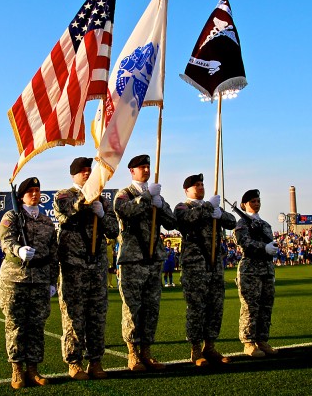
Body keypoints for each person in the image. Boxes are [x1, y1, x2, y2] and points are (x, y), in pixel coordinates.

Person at [53, 157, 119, 380]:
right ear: (73, 175)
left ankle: (96, 360)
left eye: (89, 171)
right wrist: (87, 199)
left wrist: (101, 213)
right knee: (74, 316)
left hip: (97, 266)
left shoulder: (103, 200)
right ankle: (74, 362)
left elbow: (113, 231)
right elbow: (67, 209)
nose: (87, 173)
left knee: (97, 314)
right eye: (82, 171)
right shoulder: (64, 194)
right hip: (74, 267)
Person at [114, 154, 176, 372]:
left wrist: (160, 205)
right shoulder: (124, 194)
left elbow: (171, 223)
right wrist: (146, 198)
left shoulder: (156, 195)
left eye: (148, 166)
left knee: (151, 308)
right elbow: (123, 211)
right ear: (132, 171)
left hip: (153, 259)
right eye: (142, 167)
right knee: (132, 308)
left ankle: (147, 352)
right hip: (133, 259)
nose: (146, 170)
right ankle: (132, 353)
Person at [0, 177, 58, 389]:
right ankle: (16, 369)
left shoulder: (46, 222)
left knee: (37, 326)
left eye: (37, 190)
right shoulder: (12, 216)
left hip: (40, 280)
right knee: (15, 325)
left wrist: (52, 281)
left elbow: (53, 254)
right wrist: (18, 250)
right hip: (15, 279)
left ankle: (33, 369)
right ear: (21, 195)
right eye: (30, 190)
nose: (35, 193)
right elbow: (5, 240)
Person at [174, 173, 236, 367]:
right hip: (195, 265)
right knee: (196, 308)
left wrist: (221, 213)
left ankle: (210, 346)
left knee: (215, 307)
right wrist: (209, 207)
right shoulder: (183, 207)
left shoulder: (211, 207)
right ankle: (195, 349)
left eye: (202, 184)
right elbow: (186, 220)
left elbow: (232, 222)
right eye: (196, 185)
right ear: (187, 190)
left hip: (215, 264)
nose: (201, 187)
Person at [235, 189, 279, 358]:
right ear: (244, 204)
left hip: (266, 269)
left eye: (258, 200)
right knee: (250, 307)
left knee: (265, 306)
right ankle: (248, 342)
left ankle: (262, 340)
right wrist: (263, 247)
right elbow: (244, 242)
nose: (256, 203)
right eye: (252, 201)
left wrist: (272, 248)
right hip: (250, 270)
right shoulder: (242, 224)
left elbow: (270, 241)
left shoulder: (265, 224)